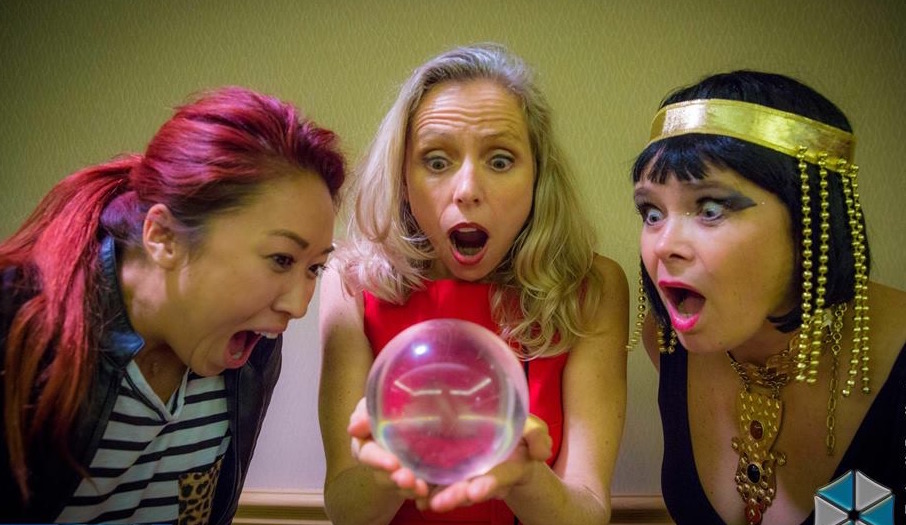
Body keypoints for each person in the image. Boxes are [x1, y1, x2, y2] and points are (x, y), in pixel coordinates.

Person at [0, 87, 346, 523]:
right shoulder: (17, 329)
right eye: (281, 259)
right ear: (163, 237)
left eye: (314, 268)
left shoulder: (251, 350)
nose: (298, 306)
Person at [318, 43, 628, 525]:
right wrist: (395, 461)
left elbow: (588, 510)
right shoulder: (351, 282)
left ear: (537, 177)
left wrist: (524, 475)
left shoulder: (592, 288)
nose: (466, 190)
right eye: (436, 161)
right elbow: (345, 508)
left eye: (500, 161)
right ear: (403, 178)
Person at [630, 70, 906, 525]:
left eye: (710, 208)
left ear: (811, 218)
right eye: (652, 212)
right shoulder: (666, 343)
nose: (662, 245)